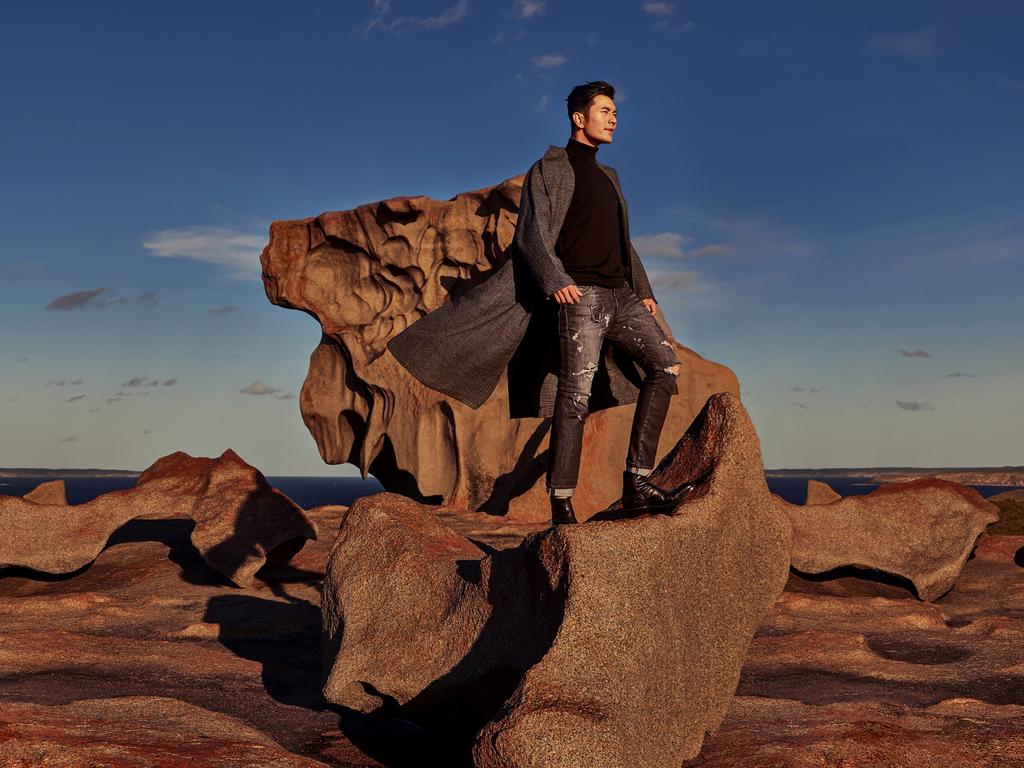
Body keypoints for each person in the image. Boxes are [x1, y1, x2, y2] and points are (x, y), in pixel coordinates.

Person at [387, 80, 693, 526]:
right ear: (578, 117)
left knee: (665, 368)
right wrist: (556, 281)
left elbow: (624, 243)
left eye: (615, 112)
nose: (613, 119)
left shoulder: (609, 178)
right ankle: (562, 501)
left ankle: (637, 483)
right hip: (580, 295)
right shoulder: (548, 169)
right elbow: (530, 234)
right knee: (575, 396)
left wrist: (643, 291)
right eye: (605, 111)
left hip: (621, 295)